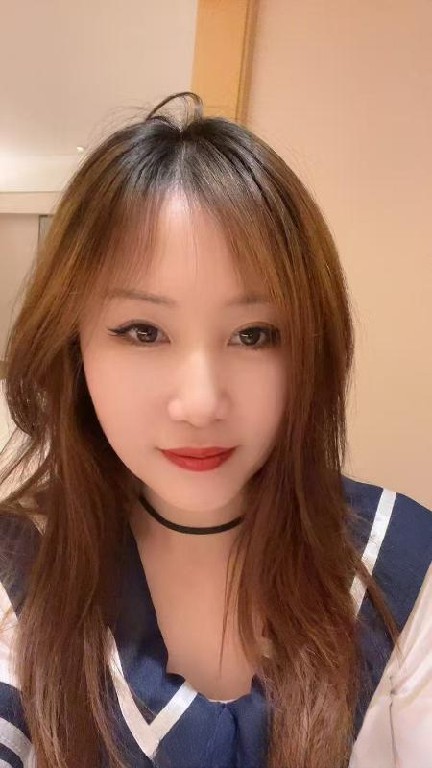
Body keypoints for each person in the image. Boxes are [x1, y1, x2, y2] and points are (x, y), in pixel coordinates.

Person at [0, 91, 430, 768]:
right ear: (73, 347)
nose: (200, 403)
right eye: (143, 331)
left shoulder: (400, 564)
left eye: (254, 334)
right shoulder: (21, 567)